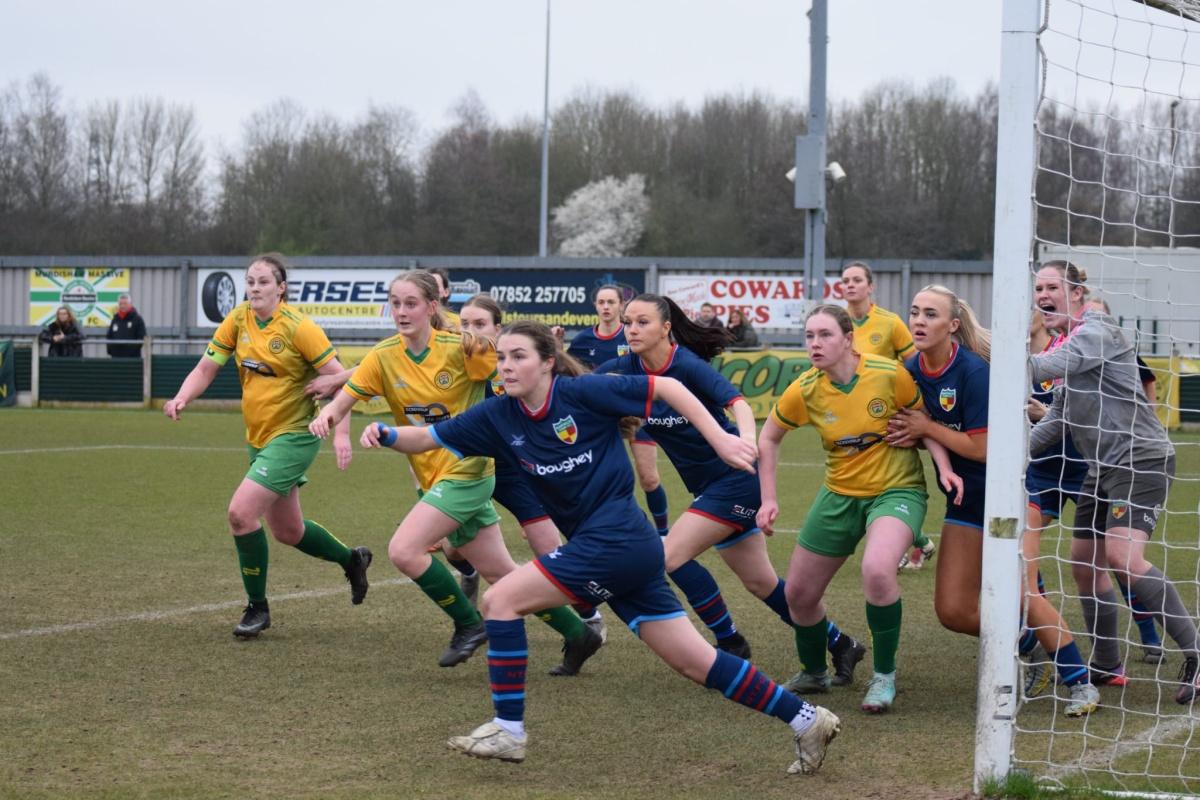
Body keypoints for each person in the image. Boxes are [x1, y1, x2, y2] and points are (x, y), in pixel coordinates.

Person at [355, 319, 841, 774]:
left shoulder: (584, 393)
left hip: (618, 540)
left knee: (499, 601)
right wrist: (387, 433)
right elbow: (428, 438)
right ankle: (806, 720)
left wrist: (719, 438)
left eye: (518, 356)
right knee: (695, 661)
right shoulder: (498, 415)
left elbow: (669, 387)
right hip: (622, 550)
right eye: (500, 357)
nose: (505, 366)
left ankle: (508, 729)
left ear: (548, 361)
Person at [309, 272, 601, 675]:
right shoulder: (383, 355)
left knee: (403, 550)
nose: (401, 311)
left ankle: (468, 624)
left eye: (410, 303)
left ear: (432, 306)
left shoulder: (462, 349)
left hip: (470, 470)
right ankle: (579, 634)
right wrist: (327, 415)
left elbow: (515, 364)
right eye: (395, 303)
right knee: (501, 573)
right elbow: (347, 397)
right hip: (433, 475)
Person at [598, 293, 868, 688]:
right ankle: (841, 643)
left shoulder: (686, 366)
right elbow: (577, 387)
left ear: (666, 328)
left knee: (668, 556)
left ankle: (729, 641)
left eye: (642, 322)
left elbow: (739, 403)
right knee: (762, 584)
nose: (631, 330)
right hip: (709, 489)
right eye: (628, 322)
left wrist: (743, 441)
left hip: (738, 478)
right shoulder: (623, 369)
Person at [889, 286, 1099, 717]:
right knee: (952, 610)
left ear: (952, 325)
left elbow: (983, 449)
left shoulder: (971, 372)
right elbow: (920, 431)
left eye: (931, 314)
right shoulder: (908, 371)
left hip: (1013, 496)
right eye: (914, 312)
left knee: (1023, 591)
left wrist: (927, 426)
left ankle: (1080, 683)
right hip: (965, 502)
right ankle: (1026, 645)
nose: (919, 321)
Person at [758, 304, 961, 713]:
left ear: (848, 339)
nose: (815, 344)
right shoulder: (806, 389)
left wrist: (944, 468)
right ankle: (815, 672)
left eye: (825, 335)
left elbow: (922, 421)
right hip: (839, 494)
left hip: (896, 490)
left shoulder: (889, 374)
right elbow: (769, 438)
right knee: (798, 593)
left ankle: (884, 676)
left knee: (877, 569)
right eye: (809, 336)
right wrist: (768, 497)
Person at [163, 253, 372, 637]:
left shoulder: (299, 328)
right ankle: (352, 559)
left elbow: (346, 380)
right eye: (250, 281)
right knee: (288, 531)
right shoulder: (238, 319)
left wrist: (339, 428)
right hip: (257, 438)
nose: (255, 288)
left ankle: (257, 608)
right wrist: (181, 397)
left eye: (263, 282)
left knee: (241, 514)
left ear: (281, 288)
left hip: (295, 435)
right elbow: (207, 367)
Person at [1030, 261, 1199, 704]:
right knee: (1084, 561)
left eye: (1051, 287)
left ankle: (1196, 651)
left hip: (1140, 460)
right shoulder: (1071, 343)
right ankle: (1107, 661)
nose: (1042, 295)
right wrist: (1009, 451)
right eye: (1038, 289)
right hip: (1101, 469)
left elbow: (1042, 366)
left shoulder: (1096, 331)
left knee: (1123, 557)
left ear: (1077, 293)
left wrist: (989, 352)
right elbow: (1061, 417)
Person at [452, 292, 608, 643]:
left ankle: (588, 613)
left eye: (480, 324)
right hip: (470, 468)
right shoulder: (452, 356)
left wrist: (549, 352)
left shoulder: (511, 363)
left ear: (498, 327)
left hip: (514, 468)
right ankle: (469, 571)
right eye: (464, 324)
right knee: (451, 548)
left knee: (548, 548)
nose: (471, 331)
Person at [560, 284, 694, 642]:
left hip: (640, 417)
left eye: (611, 302)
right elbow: (574, 376)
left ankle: (662, 533)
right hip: (605, 419)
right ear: (596, 306)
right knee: (605, 478)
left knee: (649, 479)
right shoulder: (584, 340)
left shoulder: (635, 340)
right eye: (601, 301)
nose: (606, 307)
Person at [839, 261, 934, 571]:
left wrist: (917, 410)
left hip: (888, 419)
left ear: (871, 286)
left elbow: (915, 364)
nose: (850, 285)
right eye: (845, 280)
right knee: (864, 485)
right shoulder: (838, 323)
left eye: (856, 280)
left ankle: (906, 544)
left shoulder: (891, 323)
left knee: (884, 486)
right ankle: (920, 541)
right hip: (850, 420)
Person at [106, 293, 147, 358]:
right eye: (120, 304)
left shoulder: (137, 319)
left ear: (130, 304)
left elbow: (141, 337)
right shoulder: (115, 319)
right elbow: (109, 336)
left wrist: (132, 351)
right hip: (116, 357)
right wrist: (111, 350)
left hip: (132, 358)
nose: (122, 306)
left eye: (125, 303)